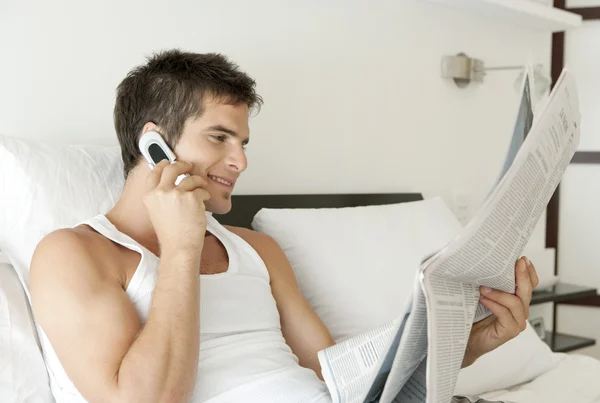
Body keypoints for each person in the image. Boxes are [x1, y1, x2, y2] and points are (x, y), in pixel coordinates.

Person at [29, 49, 540, 403]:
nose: (240, 162)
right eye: (220, 138)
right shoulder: (74, 254)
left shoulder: (257, 250)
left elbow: (340, 378)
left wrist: (470, 344)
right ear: (154, 143)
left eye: (243, 143)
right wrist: (182, 247)